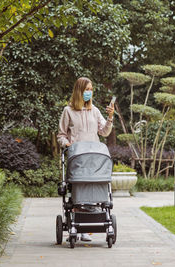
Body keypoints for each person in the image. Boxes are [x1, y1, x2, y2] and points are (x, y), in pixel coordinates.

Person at [57, 77, 114, 241]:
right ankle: (78, 227)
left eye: (91, 89)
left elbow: (104, 132)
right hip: (77, 157)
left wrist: (110, 118)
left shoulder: (94, 111)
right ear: (79, 91)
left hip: (94, 158)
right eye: (86, 89)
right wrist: (66, 143)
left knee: (94, 189)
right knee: (78, 192)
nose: (89, 92)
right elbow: (61, 134)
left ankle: (91, 222)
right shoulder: (68, 111)